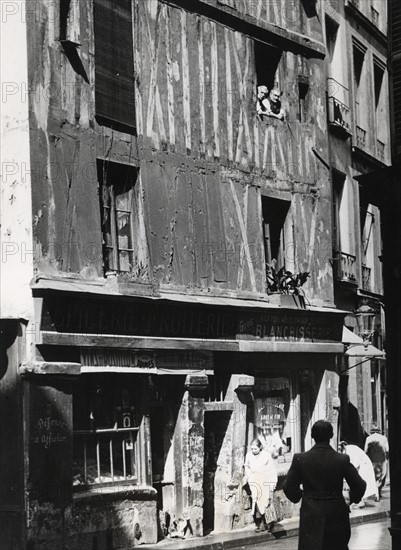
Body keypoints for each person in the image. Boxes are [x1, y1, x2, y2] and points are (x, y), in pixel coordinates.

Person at [283, 420, 366, 550]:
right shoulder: (341, 459)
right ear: (331, 435)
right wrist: (350, 499)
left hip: (311, 513)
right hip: (336, 512)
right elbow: (360, 486)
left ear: (312, 436)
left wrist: (302, 495)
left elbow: (289, 487)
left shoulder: (301, 459)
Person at [244, 438, 278, 532]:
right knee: (257, 502)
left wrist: (272, 483)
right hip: (254, 480)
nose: (253, 451)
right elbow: (246, 466)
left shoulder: (266, 455)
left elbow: (271, 469)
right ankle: (261, 523)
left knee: (266, 502)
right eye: (252, 449)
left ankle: (269, 522)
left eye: (255, 449)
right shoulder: (249, 455)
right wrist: (249, 475)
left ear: (260, 447)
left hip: (264, 480)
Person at [338, 441, 378, 507]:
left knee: (361, 482)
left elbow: (354, 466)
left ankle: (361, 501)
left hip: (363, 464)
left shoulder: (350, 450)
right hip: (361, 463)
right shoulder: (347, 450)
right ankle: (367, 498)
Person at [364, 425, 389, 500]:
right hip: (381, 459)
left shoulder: (368, 438)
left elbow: (365, 450)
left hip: (372, 460)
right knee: (381, 476)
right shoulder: (384, 438)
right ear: (379, 431)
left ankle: (376, 493)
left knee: (373, 476)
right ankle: (379, 492)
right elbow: (387, 450)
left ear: (371, 432)